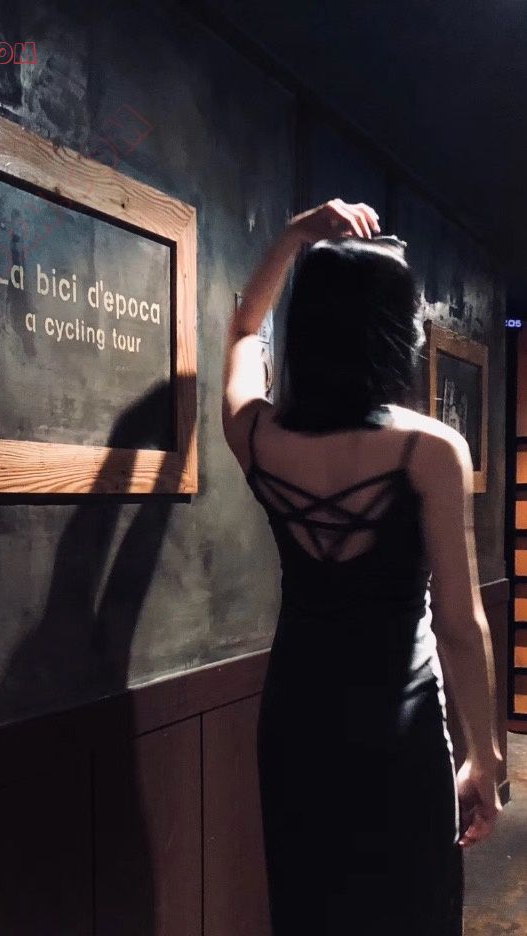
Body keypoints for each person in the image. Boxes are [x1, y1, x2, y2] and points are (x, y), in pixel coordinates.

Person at [221, 198, 503, 935]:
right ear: (395, 331)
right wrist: (486, 756)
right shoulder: (429, 448)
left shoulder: (256, 435)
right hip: (399, 725)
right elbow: (460, 623)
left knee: (311, 909)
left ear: (306, 327)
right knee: (411, 909)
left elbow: (243, 330)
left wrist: (295, 234)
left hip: (296, 720)